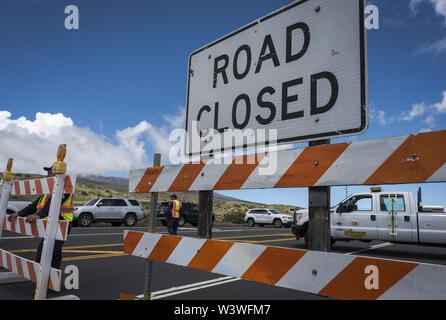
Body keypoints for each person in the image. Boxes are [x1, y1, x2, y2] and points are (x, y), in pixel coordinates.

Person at [8, 166, 74, 270]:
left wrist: (38, 215)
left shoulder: (65, 188)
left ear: (58, 174)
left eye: (50, 172)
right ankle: (49, 276)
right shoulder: (48, 190)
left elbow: (53, 203)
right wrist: (18, 214)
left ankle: (48, 278)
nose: (48, 174)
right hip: (51, 225)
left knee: (51, 251)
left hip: (62, 224)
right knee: (51, 251)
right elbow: (33, 206)